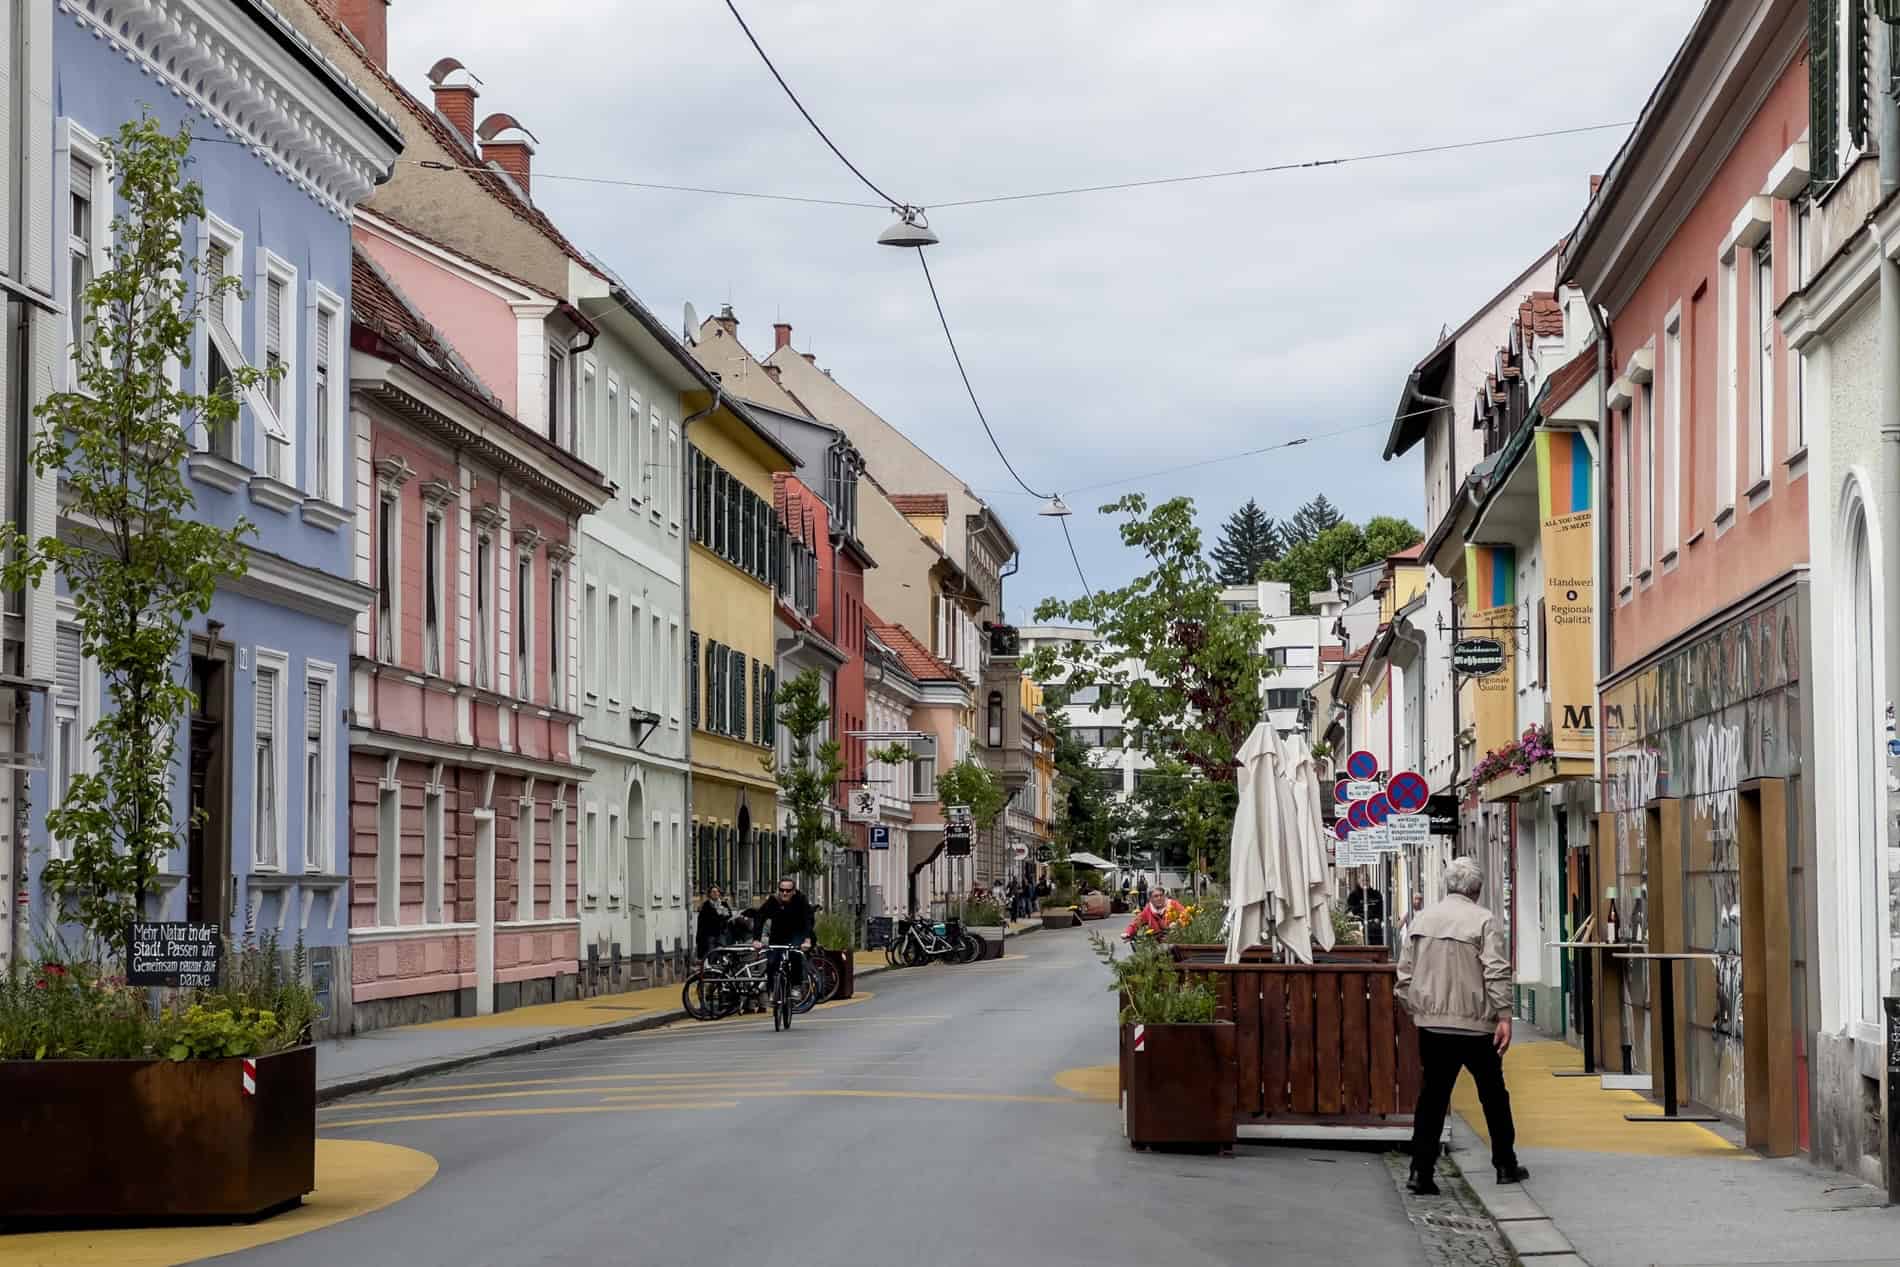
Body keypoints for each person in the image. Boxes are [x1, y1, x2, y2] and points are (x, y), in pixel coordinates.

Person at [1396, 858, 1528, 1196]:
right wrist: (1503, 1016)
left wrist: (1418, 1010)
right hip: (1475, 1026)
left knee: (1433, 1098)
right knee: (1493, 1096)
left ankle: (1420, 1172)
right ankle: (1504, 1164)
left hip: (1433, 1026)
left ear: (1447, 886)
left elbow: (1404, 975)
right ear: (1477, 889)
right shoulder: (1484, 920)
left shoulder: (1423, 919)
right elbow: (1496, 970)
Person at [750, 876, 815, 996]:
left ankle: (796, 986)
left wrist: (807, 939)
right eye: (782, 890)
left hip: (797, 933)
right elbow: (760, 917)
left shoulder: (801, 900)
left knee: (795, 955)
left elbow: (808, 920)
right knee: (771, 961)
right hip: (778, 933)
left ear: (794, 891)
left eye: (788, 891)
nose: (784, 893)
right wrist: (756, 939)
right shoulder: (773, 900)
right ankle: (771, 989)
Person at [695, 886, 733, 962]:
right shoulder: (706, 905)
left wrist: (722, 914)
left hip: (721, 933)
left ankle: (721, 969)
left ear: (719, 893)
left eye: (717, 891)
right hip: (710, 934)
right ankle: (712, 969)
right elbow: (703, 921)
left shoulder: (723, 904)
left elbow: (729, 915)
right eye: (713, 892)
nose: (715, 893)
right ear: (710, 894)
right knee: (711, 952)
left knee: (722, 952)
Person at [1348, 873, 1386, 947]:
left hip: (1375, 927)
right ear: (1359, 881)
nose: (1365, 882)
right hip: (1359, 926)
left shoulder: (1376, 894)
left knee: (1377, 945)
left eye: (1367, 880)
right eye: (1363, 880)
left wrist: (1378, 918)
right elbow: (1350, 912)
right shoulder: (1353, 895)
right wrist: (1362, 906)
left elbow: (1382, 910)